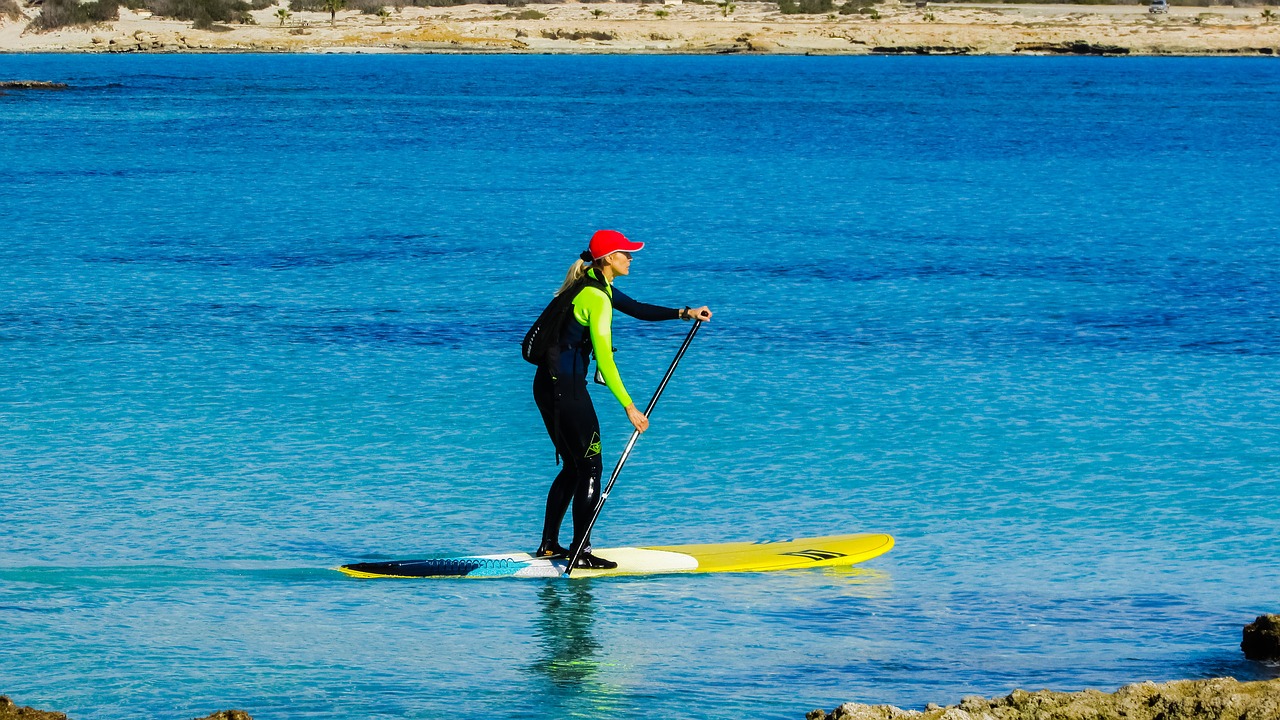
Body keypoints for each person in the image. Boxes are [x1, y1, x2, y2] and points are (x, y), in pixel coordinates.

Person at [534, 230, 712, 569]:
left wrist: (685, 313)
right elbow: (606, 359)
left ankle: (548, 545)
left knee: (575, 466)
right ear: (608, 259)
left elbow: (637, 308)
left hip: (546, 386)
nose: (631, 258)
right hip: (567, 392)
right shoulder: (597, 298)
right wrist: (630, 407)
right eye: (625, 254)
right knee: (590, 467)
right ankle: (580, 552)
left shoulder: (589, 283)